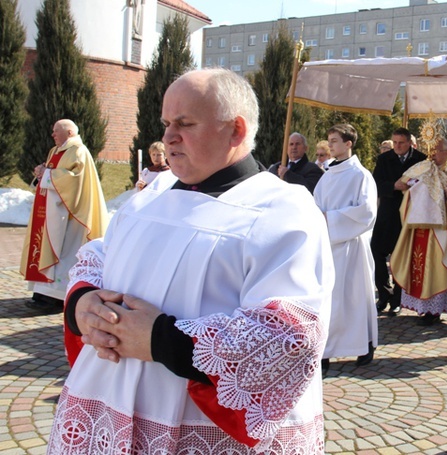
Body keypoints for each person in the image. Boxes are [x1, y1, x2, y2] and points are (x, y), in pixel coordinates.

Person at [48, 69, 334, 454]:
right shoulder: (152, 195)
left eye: (185, 124)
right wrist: (82, 306)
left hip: (192, 428)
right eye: (167, 124)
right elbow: (97, 258)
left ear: (234, 130)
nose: (168, 137)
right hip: (106, 412)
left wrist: (161, 340)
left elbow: (289, 337)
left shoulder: (283, 212)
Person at [20, 119, 108, 315]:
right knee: (47, 249)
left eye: (56, 131)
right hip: (51, 213)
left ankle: (55, 297)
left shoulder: (78, 151)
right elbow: (52, 175)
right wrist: (42, 173)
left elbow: (74, 181)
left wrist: (48, 174)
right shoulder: (56, 150)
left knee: (63, 255)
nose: (52, 135)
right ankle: (42, 294)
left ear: (69, 133)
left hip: (71, 216)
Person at [314, 124, 378, 372]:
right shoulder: (327, 174)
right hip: (328, 245)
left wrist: (330, 219)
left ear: (348, 143)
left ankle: (364, 345)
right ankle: (326, 351)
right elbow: (316, 203)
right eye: (329, 141)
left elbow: (367, 212)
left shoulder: (361, 175)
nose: (330, 145)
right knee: (329, 298)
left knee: (354, 298)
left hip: (351, 246)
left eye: (334, 141)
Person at [390, 137, 447, 325]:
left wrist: (432, 180)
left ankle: (436, 310)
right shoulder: (423, 166)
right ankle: (423, 308)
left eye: (438, 150)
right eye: (431, 150)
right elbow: (402, 184)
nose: (433, 154)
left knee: (438, 264)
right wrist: (416, 183)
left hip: (443, 228)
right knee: (420, 264)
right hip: (419, 225)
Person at [371, 127, 427, 315]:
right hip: (387, 213)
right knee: (377, 251)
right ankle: (384, 294)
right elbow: (375, 184)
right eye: (394, 142)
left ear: (410, 142)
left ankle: (397, 298)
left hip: (410, 215)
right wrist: (393, 186)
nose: (397, 146)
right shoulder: (384, 159)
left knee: (402, 257)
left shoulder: (421, 159)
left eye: (401, 143)